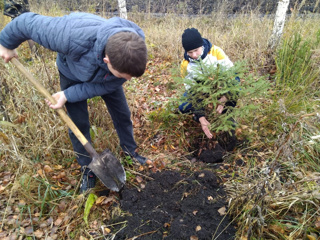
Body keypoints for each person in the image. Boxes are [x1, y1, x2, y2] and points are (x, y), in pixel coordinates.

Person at [0, 12, 152, 193]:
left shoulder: (133, 50)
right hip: (72, 72)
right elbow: (25, 22)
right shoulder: (68, 34)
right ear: (107, 61)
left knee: (122, 113)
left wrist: (70, 94)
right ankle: (87, 167)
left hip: (106, 77)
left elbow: (105, 85)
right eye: (123, 77)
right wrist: (6, 43)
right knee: (77, 122)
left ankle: (130, 152)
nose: (127, 81)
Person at [178, 28, 238, 140]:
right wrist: (200, 116)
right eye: (190, 52)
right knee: (183, 107)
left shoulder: (216, 53)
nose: (194, 55)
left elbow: (233, 78)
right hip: (201, 91)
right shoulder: (185, 65)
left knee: (235, 89)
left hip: (220, 87)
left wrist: (225, 98)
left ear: (201, 46)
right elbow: (192, 92)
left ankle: (227, 115)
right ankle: (201, 117)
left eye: (196, 50)